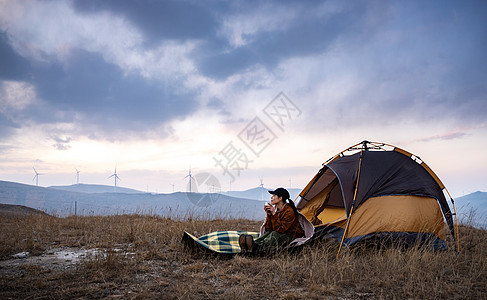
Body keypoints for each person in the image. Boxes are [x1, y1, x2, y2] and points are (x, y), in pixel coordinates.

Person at [239, 187, 314, 254]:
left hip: (291, 236)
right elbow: (269, 228)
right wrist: (269, 214)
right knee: (269, 233)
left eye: (274, 196)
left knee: (274, 234)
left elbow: (281, 229)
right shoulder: (276, 209)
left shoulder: (289, 212)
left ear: (280, 198)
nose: (272, 197)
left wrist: (274, 214)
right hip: (281, 234)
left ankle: (257, 247)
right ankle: (251, 244)